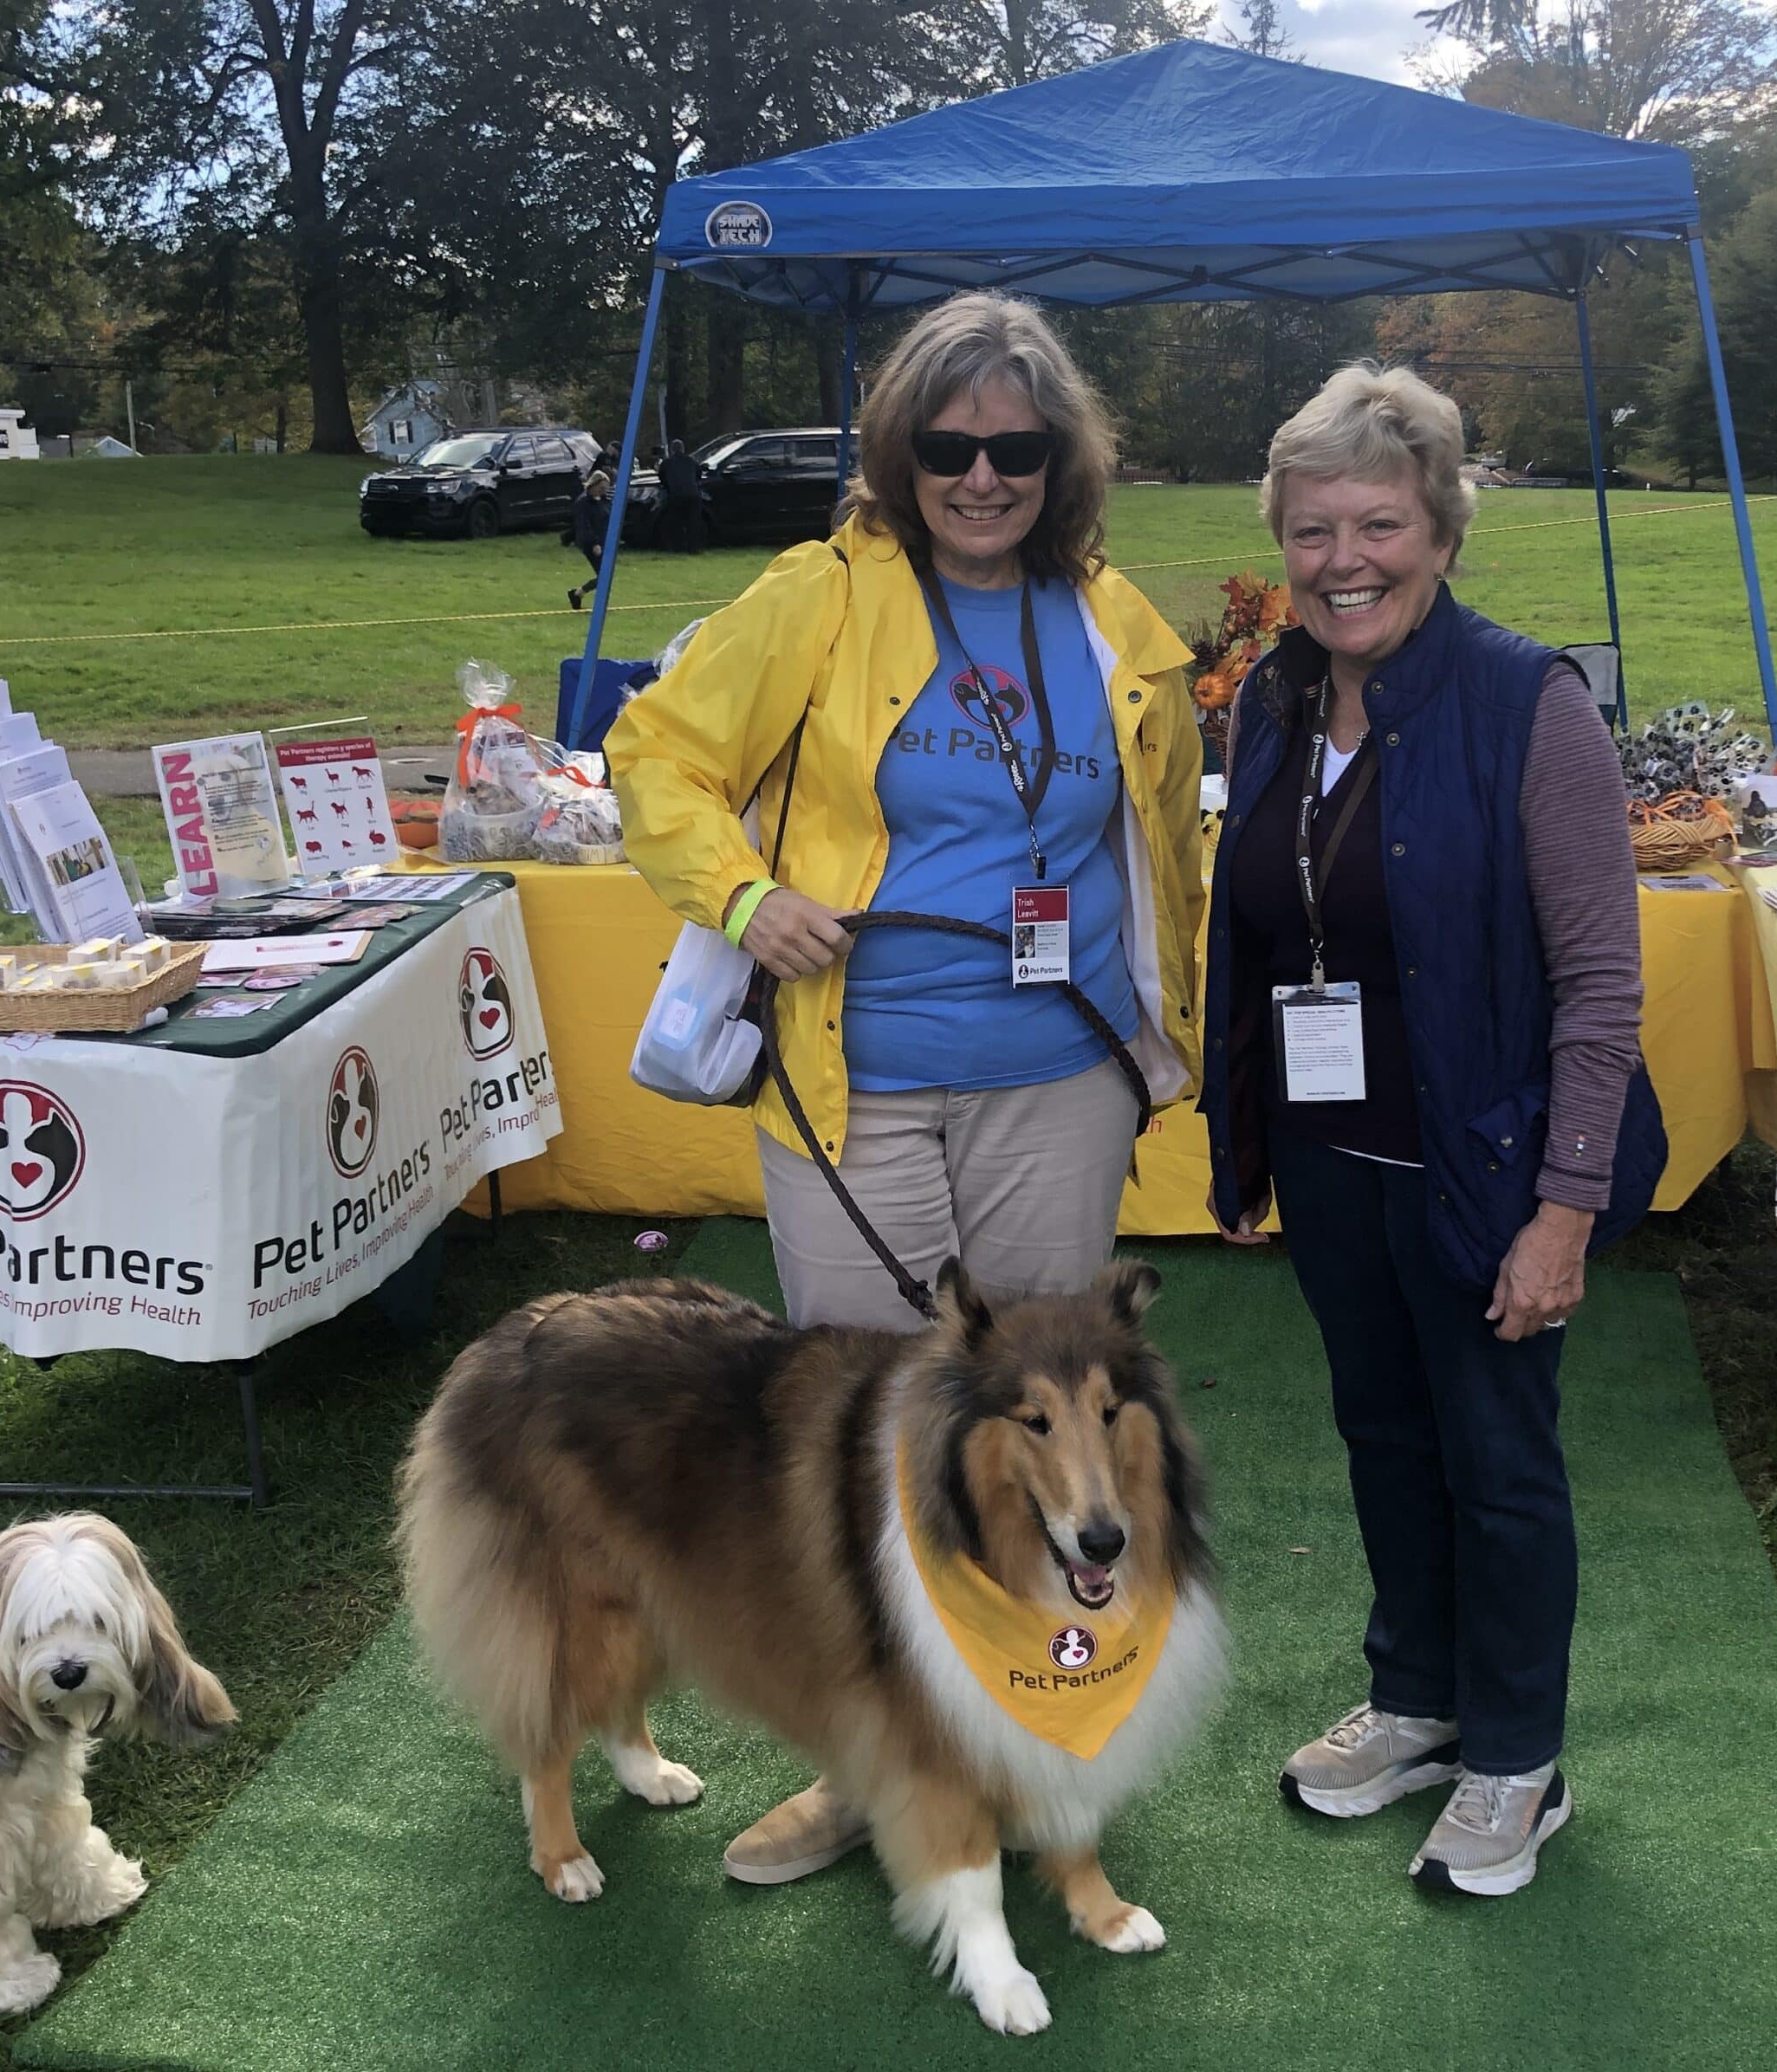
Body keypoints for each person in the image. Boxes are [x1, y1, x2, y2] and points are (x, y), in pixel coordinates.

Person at [606, 290, 1205, 1887]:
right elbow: (652, 755)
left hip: (1058, 1084)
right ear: (903, 448)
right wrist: (740, 897)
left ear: (1061, 456)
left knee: (1043, 1450)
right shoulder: (817, 595)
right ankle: (867, 1772)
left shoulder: (1116, 620)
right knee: (877, 1447)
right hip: (853, 1085)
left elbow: (1164, 836)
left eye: (1017, 446)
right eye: (950, 444)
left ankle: (1034, 1742)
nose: (984, 475)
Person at [1198, 363, 1666, 1899]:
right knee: (1387, 1437)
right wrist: (1247, 1141)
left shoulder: (1527, 701)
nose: (1345, 558)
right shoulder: (1273, 698)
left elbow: (1602, 984)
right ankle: (1420, 1696)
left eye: (1379, 523)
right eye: (1314, 526)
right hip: (1337, 1162)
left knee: (1499, 1461)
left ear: (1445, 527)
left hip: (1486, 1170)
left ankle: (1517, 1758)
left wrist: (1564, 1206)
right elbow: (1258, 935)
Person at [567, 469, 612, 610]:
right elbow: (583, 525)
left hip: (604, 542)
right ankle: (578, 594)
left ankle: (577, 593)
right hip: (590, 543)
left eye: (606, 488)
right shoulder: (583, 503)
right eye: (602, 488)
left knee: (606, 575)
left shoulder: (604, 501)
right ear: (593, 484)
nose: (604, 491)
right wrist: (594, 544)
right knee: (605, 576)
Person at [657, 439, 705, 553]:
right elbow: (699, 476)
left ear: (671, 450)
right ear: (683, 449)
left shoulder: (667, 463)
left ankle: (678, 547)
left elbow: (662, 478)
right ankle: (694, 548)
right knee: (693, 522)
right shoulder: (692, 461)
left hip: (676, 495)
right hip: (693, 495)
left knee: (676, 521)